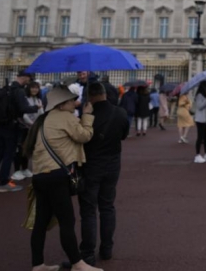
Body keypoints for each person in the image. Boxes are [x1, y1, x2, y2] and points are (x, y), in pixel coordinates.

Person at [26, 86, 100, 271]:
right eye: (70, 101)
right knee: (67, 222)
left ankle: (38, 264)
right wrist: (88, 116)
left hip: (40, 175)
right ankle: (77, 263)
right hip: (57, 176)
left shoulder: (44, 120)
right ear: (60, 105)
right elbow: (84, 136)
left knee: (41, 223)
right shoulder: (64, 117)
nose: (74, 103)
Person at [79, 82, 130, 266]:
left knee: (89, 211)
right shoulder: (120, 112)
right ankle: (107, 248)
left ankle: (87, 253)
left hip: (91, 164)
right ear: (104, 94)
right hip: (112, 164)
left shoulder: (87, 115)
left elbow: (81, 138)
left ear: (90, 97)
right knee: (107, 207)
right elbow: (123, 135)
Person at [0, 71, 41, 193]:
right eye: (29, 78)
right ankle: (4, 183)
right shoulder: (19, 91)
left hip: (0, 125)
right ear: (25, 77)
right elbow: (23, 108)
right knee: (8, 154)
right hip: (11, 126)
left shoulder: (7, 88)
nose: (29, 81)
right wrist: (35, 108)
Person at [13, 82, 44, 181]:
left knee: (28, 148)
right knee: (20, 148)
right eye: (33, 88)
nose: (35, 90)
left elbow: (41, 112)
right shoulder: (25, 99)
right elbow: (25, 114)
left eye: (36, 88)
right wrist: (32, 124)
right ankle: (17, 170)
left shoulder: (38, 99)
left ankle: (25, 168)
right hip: (24, 127)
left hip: (33, 127)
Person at [192, 81, 206, 163]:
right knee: (200, 137)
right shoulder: (199, 95)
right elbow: (199, 106)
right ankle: (197, 155)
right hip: (200, 119)